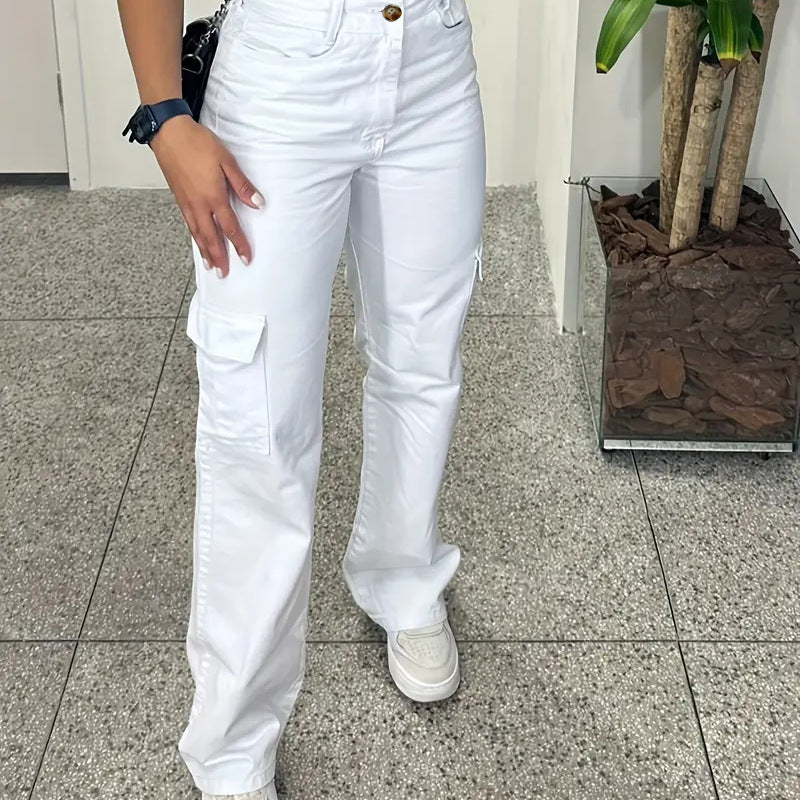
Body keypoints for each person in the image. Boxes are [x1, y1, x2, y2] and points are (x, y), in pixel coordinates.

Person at [117, 0, 485, 797]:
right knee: (259, 419)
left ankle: (403, 575)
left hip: (431, 55)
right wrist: (165, 114)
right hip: (284, 74)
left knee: (423, 359)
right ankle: (234, 741)